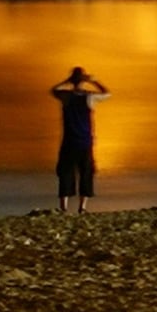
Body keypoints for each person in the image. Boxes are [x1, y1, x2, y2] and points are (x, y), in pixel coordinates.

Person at [50, 66, 110, 215]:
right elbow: (107, 93)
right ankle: (82, 208)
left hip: (69, 141)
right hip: (84, 141)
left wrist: (67, 81)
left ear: (72, 80)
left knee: (65, 173)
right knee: (86, 173)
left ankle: (64, 207)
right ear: (83, 81)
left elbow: (53, 90)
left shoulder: (66, 96)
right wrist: (94, 81)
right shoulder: (89, 97)